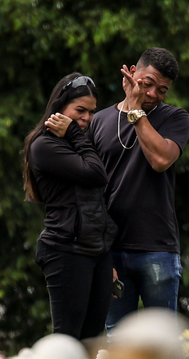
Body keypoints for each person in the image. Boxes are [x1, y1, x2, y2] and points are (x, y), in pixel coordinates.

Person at [88, 48, 189, 332]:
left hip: (157, 248)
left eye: (162, 90)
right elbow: (90, 192)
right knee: (117, 343)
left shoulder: (175, 118)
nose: (153, 94)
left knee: (162, 342)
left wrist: (136, 111)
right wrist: (100, 253)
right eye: (147, 83)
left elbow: (160, 160)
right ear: (132, 73)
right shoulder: (99, 122)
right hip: (112, 251)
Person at [22, 72, 117, 340]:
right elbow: (97, 174)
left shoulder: (80, 143)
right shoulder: (44, 145)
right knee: (67, 341)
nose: (86, 118)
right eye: (80, 110)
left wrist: (106, 251)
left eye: (91, 112)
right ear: (60, 107)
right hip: (66, 250)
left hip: (97, 251)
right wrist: (75, 133)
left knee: (93, 340)